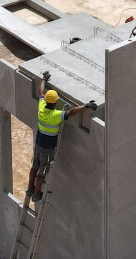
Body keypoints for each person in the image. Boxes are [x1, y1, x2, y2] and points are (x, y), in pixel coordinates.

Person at [27, 73, 96, 202]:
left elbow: (41, 92)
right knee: (42, 171)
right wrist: (86, 106)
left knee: (34, 166)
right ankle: (36, 194)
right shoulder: (56, 115)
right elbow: (72, 112)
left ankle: (30, 188)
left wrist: (43, 80)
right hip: (47, 149)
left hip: (38, 144)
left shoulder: (41, 107)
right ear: (55, 103)